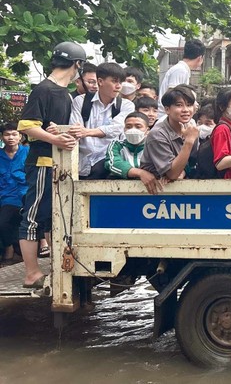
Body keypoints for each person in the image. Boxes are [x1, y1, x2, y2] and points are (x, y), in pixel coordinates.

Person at [17, 41, 84, 288]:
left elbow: (47, 125)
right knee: (34, 217)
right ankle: (31, 273)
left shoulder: (64, 93)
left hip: (57, 163)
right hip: (42, 162)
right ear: (77, 64)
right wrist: (54, 138)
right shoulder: (44, 89)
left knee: (50, 217)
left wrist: (59, 132)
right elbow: (26, 126)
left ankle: (49, 267)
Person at [69, 62, 135, 180]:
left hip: (111, 168)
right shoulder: (80, 101)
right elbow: (75, 130)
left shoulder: (127, 105)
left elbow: (117, 128)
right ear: (100, 81)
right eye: (114, 81)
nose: (119, 86)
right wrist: (80, 132)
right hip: (81, 166)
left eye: (120, 82)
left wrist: (86, 132)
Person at [140, 84, 199, 180]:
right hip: (153, 189)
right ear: (167, 109)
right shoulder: (157, 134)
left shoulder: (190, 128)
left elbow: (192, 164)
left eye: (189, 105)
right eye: (179, 105)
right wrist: (189, 142)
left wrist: (184, 171)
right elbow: (172, 174)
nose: (185, 110)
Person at [105, 112, 162, 194]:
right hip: (121, 191)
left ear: (147, 130)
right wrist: (140, 173)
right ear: (124, 129)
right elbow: (112, 163)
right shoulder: (116, 145)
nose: (133, 130)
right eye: (128, 127)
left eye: (138, 127)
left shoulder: (156, 146)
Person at [0, 122, 28, 265]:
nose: (10, 137)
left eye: (14, 134)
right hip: (7, 198)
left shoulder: (28, 152)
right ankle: (9, 247)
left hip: (27, 194)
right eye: (7, 134)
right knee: (3, 223)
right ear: (2, 137)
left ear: (20, 136)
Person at [158, 39, 205, 116]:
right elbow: (173, 95)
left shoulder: (182, 69)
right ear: (200, 58)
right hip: (166, 117)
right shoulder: (180, 70)